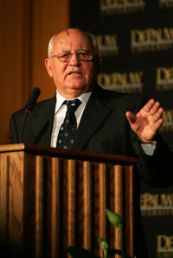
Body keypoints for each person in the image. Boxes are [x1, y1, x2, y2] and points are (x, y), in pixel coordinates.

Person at [9, 28, 173, 258]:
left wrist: (147, 142)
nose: (74, 62)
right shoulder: (24, 119)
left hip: (106, 245)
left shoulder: (126, 110)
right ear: (49, 66)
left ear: (97, 63)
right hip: (40, 244)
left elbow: (162, 177)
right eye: (64, 56)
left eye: (83, 54)